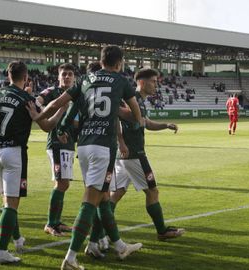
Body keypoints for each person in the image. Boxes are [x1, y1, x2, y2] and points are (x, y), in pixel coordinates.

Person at [34, 45, 144, 270]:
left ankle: (119, 245)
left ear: (101, 60)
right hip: (103, 147)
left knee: (103, 197)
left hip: (83, 146)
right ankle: (71, 257)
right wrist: (131, 117)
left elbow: (56, 104)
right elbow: (135, 114)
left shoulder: (84, 80)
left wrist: (38, 117)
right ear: (119, 62)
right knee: (90, 200)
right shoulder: (121, 81)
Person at [0, 61, 64, 264]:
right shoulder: (27, 98)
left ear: (8, 76)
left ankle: (18, 238)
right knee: (12, 204)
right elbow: (47, 126)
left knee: (6, 200)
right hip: (15, 152)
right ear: (26, 77)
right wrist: (61, 110)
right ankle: (2, 251)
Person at [110, 68, 185, 244]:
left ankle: (99, 232)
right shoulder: (131, 98)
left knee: (117, 192)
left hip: (125, 155)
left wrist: (165, 125)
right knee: (152, 191)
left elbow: (146, 123)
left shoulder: (139, 101)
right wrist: (121, 141)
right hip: (133, 153)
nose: (156, 85)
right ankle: (162, 231)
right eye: (153, 81)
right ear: (142, 82)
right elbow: (114, 116)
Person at [37, 63, 77, 237]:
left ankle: (57, 221)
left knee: (64, 183)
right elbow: (36, 102)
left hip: (68, 144)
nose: (67, 77)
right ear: (58, 76)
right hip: (56, 143)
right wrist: (47, 120)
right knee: (61, 183)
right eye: (64, 74)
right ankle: (50, 223)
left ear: (74, 77)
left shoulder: (76, 94)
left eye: (70, 74)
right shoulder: (51, 92)